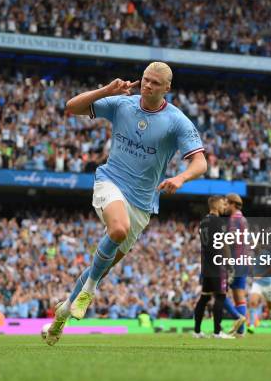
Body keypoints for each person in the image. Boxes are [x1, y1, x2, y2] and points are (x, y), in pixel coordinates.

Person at [44, 62, 207, 346]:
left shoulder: (177, 120)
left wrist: (181, 178)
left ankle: (61, 315)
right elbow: (72, 106)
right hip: (110, 181)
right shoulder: (122, 104)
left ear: (167, 87)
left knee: (102, 265)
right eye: (145, 79)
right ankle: (88, 292)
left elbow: (200, 162)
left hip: (142, 203)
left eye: (155, 83)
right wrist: (108, 89)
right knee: (118, 229)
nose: (147, 85)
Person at [193, 195, 236, 339]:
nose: (225, 206)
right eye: (223, 204)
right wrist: (229, 265)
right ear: (216, 205)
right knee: (221, 297)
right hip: (218, 265)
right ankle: (217, 332)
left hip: (206, 265)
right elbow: (223, 245)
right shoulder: (218, 221)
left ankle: (197, 331)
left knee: (204, 298)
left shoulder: (203, 221)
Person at [222, 193, 250, 336]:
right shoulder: (243, 218)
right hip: (244, 261)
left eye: (226, 203)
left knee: (218, 292)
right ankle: (240, 331)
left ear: (233, 204)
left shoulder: (234, 219)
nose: (225, 206)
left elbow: (231, 239)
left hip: (235, 261)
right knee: (239, 295)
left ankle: (237, 320)